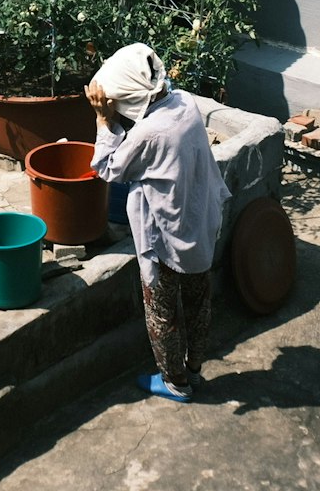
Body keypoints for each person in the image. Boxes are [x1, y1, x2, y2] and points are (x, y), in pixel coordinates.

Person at [87, 43, 230, 402]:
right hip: (199, 220)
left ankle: (174, 383)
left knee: (162, 310)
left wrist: (103, 121)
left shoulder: (149, 133)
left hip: (166, 234)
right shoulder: (184, 102)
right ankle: (194, 369)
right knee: (198, 300)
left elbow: (108, 167)